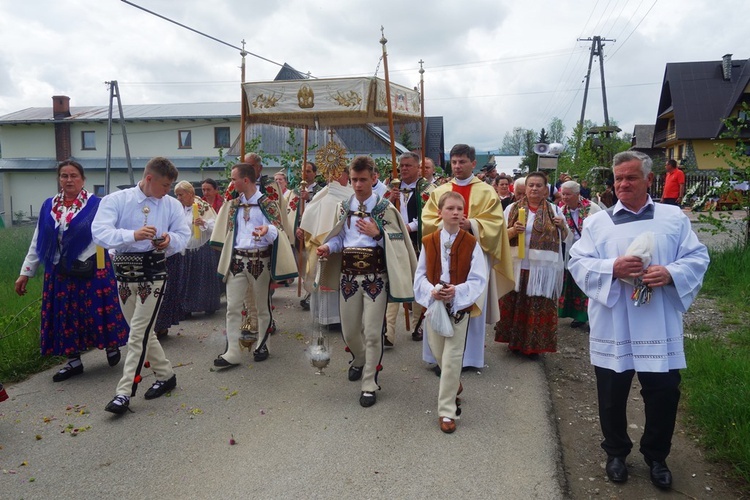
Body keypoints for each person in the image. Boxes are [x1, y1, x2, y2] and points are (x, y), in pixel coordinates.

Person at [568, 151, 709, 490]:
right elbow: (577, 261)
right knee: (612, 394)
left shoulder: (672, 217)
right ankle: (615, 452)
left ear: (649, 179)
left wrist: (671, 273)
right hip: (615, 321)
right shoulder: (597, 222)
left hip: (657, 322)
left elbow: (698, 255)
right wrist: (610, 268)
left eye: (630, 177)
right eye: (618, 178)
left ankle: (656, 455)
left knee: (662, 394)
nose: (623, 184)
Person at [316, 155, 417, 408]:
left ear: (374, 178)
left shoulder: (385, 209)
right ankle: (359, 359)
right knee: (349, 332)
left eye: (363, 180)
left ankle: (370, 382)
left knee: (373, 333)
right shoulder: (343, 206)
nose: (358, 185)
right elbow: (340, 237)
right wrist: (328, 246)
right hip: (348, 278)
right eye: (354, 180)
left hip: (376, 279)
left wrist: (378, 233)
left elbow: (398, 243)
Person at [92, 156, 191, 415]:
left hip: (154, 273)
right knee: (143, 331)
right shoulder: (116, 200)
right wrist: (132, 235)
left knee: (137, 332)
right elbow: (99, 232)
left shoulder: (171, 205)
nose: (168, 191)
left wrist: (169, 240)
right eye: (166, 185)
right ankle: (166, 375)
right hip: (124, 274)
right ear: (149, 179)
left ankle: (124, 393)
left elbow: (184, 235)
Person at [15, 160, 129, 382]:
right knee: (65, 314)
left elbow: (109, 232)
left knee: (98, 309)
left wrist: (113, 254)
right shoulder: (49, 206)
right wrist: (26, 272)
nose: (69, 180)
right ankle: (73, 360)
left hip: (93, 266)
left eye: (73, 175)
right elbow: (38, 240)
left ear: (83, 179)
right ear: (59, 179)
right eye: (64, 176)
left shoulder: (97, 204)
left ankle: (111, 344)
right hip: (60, 270)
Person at [421, 144, 514, 371]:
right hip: (443, 253)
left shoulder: (485, 191)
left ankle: (468, 358)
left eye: (462, 161)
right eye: (453, 162)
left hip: (472, 254)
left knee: (468, 299)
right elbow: (427, 220)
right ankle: (438, 357)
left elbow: (496, 224)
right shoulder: (439, 191)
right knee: (441, 297)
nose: (457, 166)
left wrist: (471, 224)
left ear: (473, 163)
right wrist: (449, 223)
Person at [414, 191, 487, 433]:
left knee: (454, 356)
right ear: (440, 212)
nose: (455, 213)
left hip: (458, 308)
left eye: (459, 209)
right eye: (450, 208)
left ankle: (447, 411)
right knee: (439, 354)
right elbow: (421, 275)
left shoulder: (471, 243)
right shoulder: (429, 241)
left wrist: (457, 291)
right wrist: (432, 291)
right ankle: (454, 383)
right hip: (435, 306)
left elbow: (478, 278)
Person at [210, 163, 297, 367]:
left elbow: (278, 230)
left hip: (260, 260)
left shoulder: (267, 203)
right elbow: (227, 231)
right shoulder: (233, 205)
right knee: (232, 307)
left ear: (245, 180)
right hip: (237, 261)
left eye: (233, 179)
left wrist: (267, 230)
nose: (231, 183)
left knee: (261, 306)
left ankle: (262, 344)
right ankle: (232, 352)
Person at [495, 171, 568, 357]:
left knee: (537, 305)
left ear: (545, 190)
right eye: (531, 185)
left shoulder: (555, 210)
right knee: (515, 304)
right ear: (525, 188)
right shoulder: (511, 209)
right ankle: (514, 342)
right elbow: (499, 235)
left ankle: (534, 345)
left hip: (542, 271)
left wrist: (562, 227)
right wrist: (512, 230)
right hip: (516, 265)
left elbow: (566, 238)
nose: (534, 188)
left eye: (539, 185)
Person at [384, 152, 435, 346]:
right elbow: (378, 211)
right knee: (392, 280)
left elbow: (430, 215)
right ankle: (388, 331)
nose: (403, 169)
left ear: (418, 168)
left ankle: (417, 325)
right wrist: (389, 199)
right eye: (401, 165)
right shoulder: (391, 187)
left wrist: (411, 226)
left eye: (408, 165)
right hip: (393, 241)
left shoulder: (428, 189)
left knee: (418, 281)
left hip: (416, 241)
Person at [297, 168, 353, 329]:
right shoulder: (327, 195)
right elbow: (311, 216)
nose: (334, 177)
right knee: (328, 280)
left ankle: (345, 317)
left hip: (348, 246)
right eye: (332, 174)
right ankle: (330, 318)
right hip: (328, 246)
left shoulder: (350, 192)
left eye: (339, 173)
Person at [240, 153, 288, 337]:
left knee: (261, 287)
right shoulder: (235, 185)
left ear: (259, 168)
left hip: (266, 241)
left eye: (250, 165)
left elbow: (277, 213)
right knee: (245, 287)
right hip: (243, 244)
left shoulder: (270, 186)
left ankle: (265, 320)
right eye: (244, 164)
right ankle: (250, 320)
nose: (247, 168)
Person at [557, 180, 601, 330]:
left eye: (568, 194)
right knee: (573, 284)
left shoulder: (592, 208)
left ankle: (592, 317)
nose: (565, 197)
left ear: (577, 194)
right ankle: (578, 315)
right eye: (563, 194)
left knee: (588, 283)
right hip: (571, 251)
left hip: (589, 252)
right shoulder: (562, 210)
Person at [174, 181, 221, 316]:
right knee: (187, 278)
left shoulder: (203, 207)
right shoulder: (179, 208)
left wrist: (203, 223)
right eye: (177, 195)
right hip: (186, 247)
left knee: (202, 278)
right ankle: (186, 307)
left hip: (201, 248)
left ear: (190, 194)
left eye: (181, 195)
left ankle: (206, 305)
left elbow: (216, 226)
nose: (179, 198)